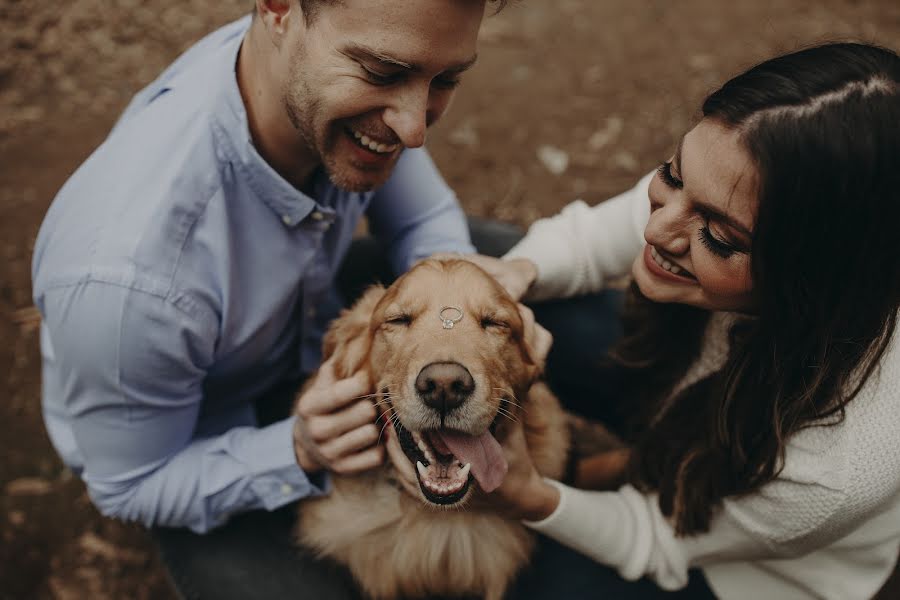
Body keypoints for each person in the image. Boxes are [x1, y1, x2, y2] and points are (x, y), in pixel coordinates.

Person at [30, 0, 514, 597]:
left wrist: (458, 321)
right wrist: (298, 449)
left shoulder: (322, 67)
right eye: (384, 73)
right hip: (195, 434)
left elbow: (427, 222)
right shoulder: (129, 285)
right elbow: (130, 486)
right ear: (279, 10)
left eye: (444, 80)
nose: (415, 128)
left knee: (502, 256)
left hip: (304, 320)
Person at [455, 41, 900, 599]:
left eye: (717, 236)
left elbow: (656, 536)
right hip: (674, 377)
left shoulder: (833, 472)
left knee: (502, 576)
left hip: (727, 567)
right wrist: (518, 272)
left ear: (811, 278)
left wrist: (527, 495)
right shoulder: (734, 172)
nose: (656, 230)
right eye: (672, 174)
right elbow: (602, 236)